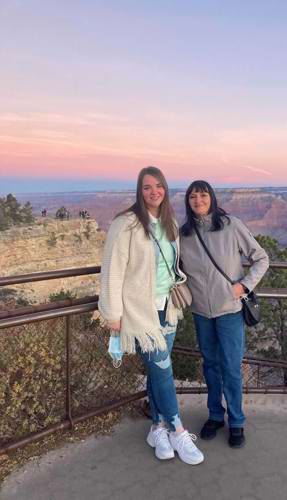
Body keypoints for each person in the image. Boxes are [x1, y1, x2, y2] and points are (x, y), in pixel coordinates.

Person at [98, 167, 204, 465]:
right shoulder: (126, 223)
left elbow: (171, 264)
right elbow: (113, 270)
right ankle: (179, 430)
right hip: (138, 310)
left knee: (158, 372)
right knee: (163, 370)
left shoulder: (169, 222)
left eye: (159, 186)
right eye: (147, 187)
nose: (154, 191)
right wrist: (112, 314)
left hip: (166, 306)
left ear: (165, 189)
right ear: (139, 191)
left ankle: (157, 428)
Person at [180, 180, 269, 448]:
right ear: (188, 201)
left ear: (212, 198)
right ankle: (215, 415)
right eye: (193, 196)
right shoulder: (183, 233)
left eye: (203, 195)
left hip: (229, 310)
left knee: (231, 367)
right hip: (201, 312)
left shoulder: (231, 225)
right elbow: (175, 268)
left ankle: (237, 421)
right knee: (210, 365)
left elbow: (261, 258)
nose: (198, 200)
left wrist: (244, 285)